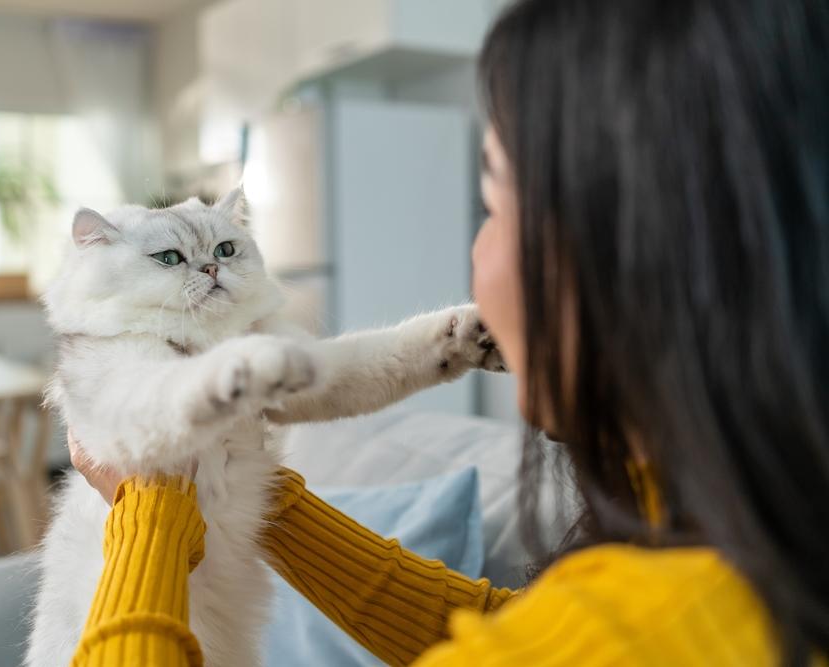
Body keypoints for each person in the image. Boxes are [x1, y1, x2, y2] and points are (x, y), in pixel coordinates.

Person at [67, 0, 829, 664]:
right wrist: (258, 494)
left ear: (631, 249)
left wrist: (153, 504)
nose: (475, 250)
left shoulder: (639, 628)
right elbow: (508, 627)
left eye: (490, 199)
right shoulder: (732, 540)